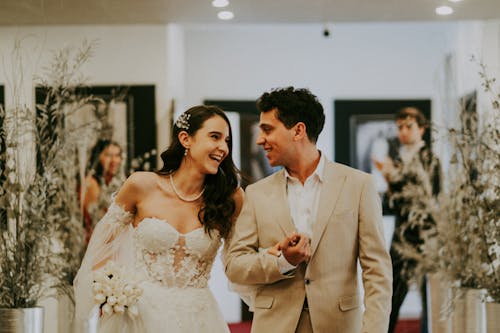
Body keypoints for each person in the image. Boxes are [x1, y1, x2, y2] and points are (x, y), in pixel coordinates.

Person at [224, 87, 392, 333]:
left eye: (268, 129)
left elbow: (377, 272)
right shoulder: (256, 193)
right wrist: (282, 261)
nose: (260, 140)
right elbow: (235, 266)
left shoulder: (359, 185)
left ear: (298, 130)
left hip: (339, 326)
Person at [74, 105, 244, 332]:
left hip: (199, 318)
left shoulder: (231, 198)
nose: (223, 148)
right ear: (186, 139)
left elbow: (239, 258)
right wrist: (111, 290)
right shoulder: (141, 185)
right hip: (140, 316)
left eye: (227, 141)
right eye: (215, 137)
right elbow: (103, 246)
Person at [373, 107, 441, 333]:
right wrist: (389, 181)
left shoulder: (430, 159)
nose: (403, 132)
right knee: (392, 292)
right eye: (400, 127)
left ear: (421, 129)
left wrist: (393, 178)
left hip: (426, 235)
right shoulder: (397, 160)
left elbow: (428, 198)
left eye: (409, 126)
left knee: (429, 295)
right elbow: (394, 204)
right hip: (402, 234)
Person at [81, 139, 125, 242]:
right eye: (109, 155)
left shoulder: (115, 182)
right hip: (98, 240)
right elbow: (94, 219)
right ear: (98, 157)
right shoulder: (91, 183)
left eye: (117, 155)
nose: (114, 160)